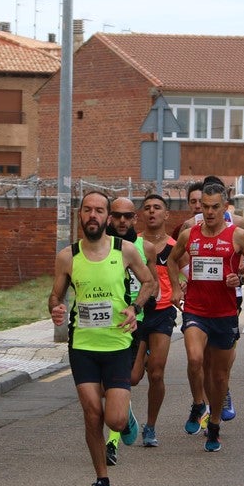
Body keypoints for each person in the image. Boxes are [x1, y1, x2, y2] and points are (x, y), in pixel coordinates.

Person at [49, 191, 155, 486]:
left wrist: (135, 308)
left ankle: (126, 418)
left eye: (99, 211)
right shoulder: (68, 256)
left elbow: (150, 283)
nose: (93, 216)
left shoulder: (124, 251)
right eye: (87, 210)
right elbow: (55, 296)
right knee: (92, 412)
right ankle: (101, 480)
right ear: (79, 215)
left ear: (107, 217)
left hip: (119, 343)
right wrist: (55, 307)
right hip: (82, 344)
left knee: (115, 420)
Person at [167, 181, 244, 450]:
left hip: (225, 312)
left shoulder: (238, 235)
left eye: (215, 207)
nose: (209, 212)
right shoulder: (189, 235)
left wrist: (240, 278)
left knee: (219, 377)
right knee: (195, 358)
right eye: (205, 207)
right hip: (196, 309)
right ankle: (198, 403)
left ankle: (215, 423)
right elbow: (172, 260)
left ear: (225, 207)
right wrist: (175, 288)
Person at [103, 195, 155, 465]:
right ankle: (112, 441)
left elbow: (152, 282)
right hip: (100, 325)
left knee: (131, 379)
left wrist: (138, 305)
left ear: (135, 218)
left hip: (134, 320)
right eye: (117, 216)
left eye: (128, 216)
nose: (122, 221)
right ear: (109, 217)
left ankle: (123, 413)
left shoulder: (143, 247)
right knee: (106, 386)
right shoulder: (96, 246)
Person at [131, 193, 177, 448]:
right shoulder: (133, 245)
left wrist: (181, 289)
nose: (152, 212)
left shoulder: (174, 246)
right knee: (134, 377)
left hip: (162, 312)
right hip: (137, 312)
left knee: (156, 373)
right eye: (147, 208)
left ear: (166, 214)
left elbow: (188, 273)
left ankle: (150, 426)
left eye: (157, 208)